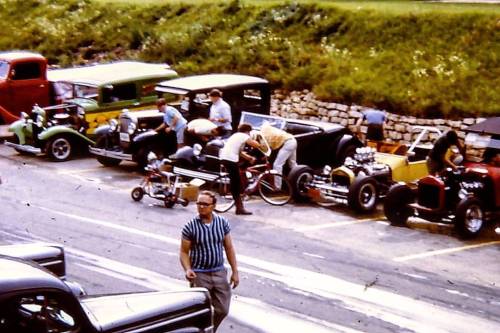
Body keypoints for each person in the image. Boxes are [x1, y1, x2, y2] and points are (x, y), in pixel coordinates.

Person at [180, 190, 239, 332]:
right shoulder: (190, 226)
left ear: (213, 206)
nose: (201, 207)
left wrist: (235, 271)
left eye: (205, 204)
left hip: (219, 272)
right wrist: (188, 269)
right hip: (200, 275)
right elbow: (183, 252)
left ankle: (209, 330)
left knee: (223, 310)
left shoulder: (222, 223)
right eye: (199, 203)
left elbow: (229, 247)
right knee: (199, 311)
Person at [219, 123, 261, 215]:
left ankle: (239, 206)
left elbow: (239, 152)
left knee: (236, 181)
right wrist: (259, 141)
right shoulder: (243, 135)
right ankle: (239, 208)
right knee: (236, 184)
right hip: (230, 159)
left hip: (225, 158)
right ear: (247, 131)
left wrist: (249, 158)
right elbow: (255, 145)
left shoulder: (236, 135)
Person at [260, 122, 298, 188]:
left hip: (287, 143)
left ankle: (277, 186)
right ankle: (301, 177)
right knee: (292, 164)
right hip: (292, 140)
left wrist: (265, 156)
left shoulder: (264, 135)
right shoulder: (269, 129)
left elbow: (268, 149)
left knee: (277, 165)